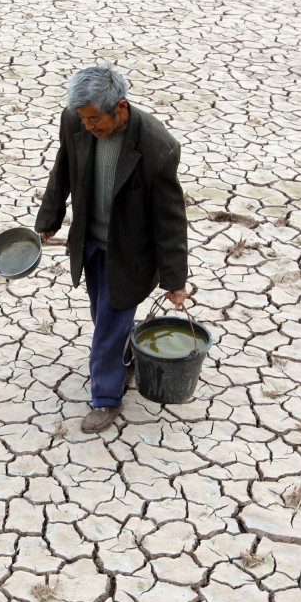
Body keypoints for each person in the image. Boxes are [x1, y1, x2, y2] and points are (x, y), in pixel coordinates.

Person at [35, 65, 189, 433]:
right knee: (100, 312)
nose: (88, 126)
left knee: (107, 324)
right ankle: (125, 355)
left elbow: (170, 218)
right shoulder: (74, 121)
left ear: (119, 106)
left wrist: (174, 278)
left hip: (132, 256)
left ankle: (106, 397)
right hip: (91, 243)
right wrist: (49, 217)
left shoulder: (156, 146)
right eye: (83, 119)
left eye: (94, 119)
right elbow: (63, 168)